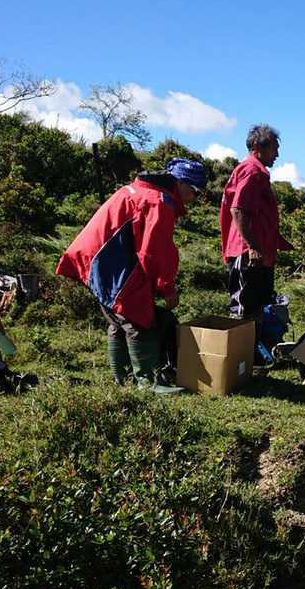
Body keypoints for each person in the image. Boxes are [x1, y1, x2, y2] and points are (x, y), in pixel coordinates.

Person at [57, 159, 207, 390]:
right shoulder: (158, 202)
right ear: (181, 183)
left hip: (96, 258)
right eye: (196, 191)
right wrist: (166, 288)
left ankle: (123, 381)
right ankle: (147, 383)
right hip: (110, 262)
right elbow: (154, 252)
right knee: (138, 319)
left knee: (117, 321)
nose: (195, 198)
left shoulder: (140, 190)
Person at [219, 124, 293, 320]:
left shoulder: (256, 171)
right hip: (249, 255)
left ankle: (253, 349)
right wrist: (252, 245)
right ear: (257, 147)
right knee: (245, 311)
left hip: (260, 254)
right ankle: (241, 349)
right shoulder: (252, 170)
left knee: (260, 309)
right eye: (273, 148)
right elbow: (238, 209)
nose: (276, 154)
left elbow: (258, 214)